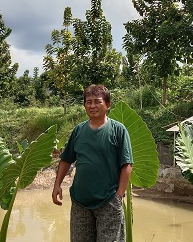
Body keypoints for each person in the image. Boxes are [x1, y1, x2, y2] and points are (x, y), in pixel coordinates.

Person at [52, 84, 133, 242]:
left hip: (108, 201)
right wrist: (57, 184)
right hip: (80, 201)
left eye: (97, 101)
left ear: (107, 105)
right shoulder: (79, 130)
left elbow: (127, 164)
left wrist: (119, 195)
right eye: (88, 102)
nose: (92, 106)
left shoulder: (118, 130)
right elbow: (66, 159)